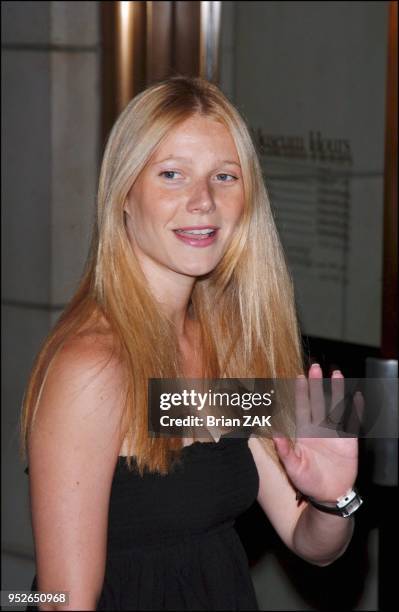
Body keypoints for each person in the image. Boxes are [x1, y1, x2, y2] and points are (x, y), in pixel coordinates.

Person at [20, 75, 362, 611]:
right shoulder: (94, 365)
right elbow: (60, 599)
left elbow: (308, 541)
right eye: (172, 175)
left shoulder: (228, 341)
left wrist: (332, 499)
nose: (202, 201)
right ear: (124, 196)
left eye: (224, 176)